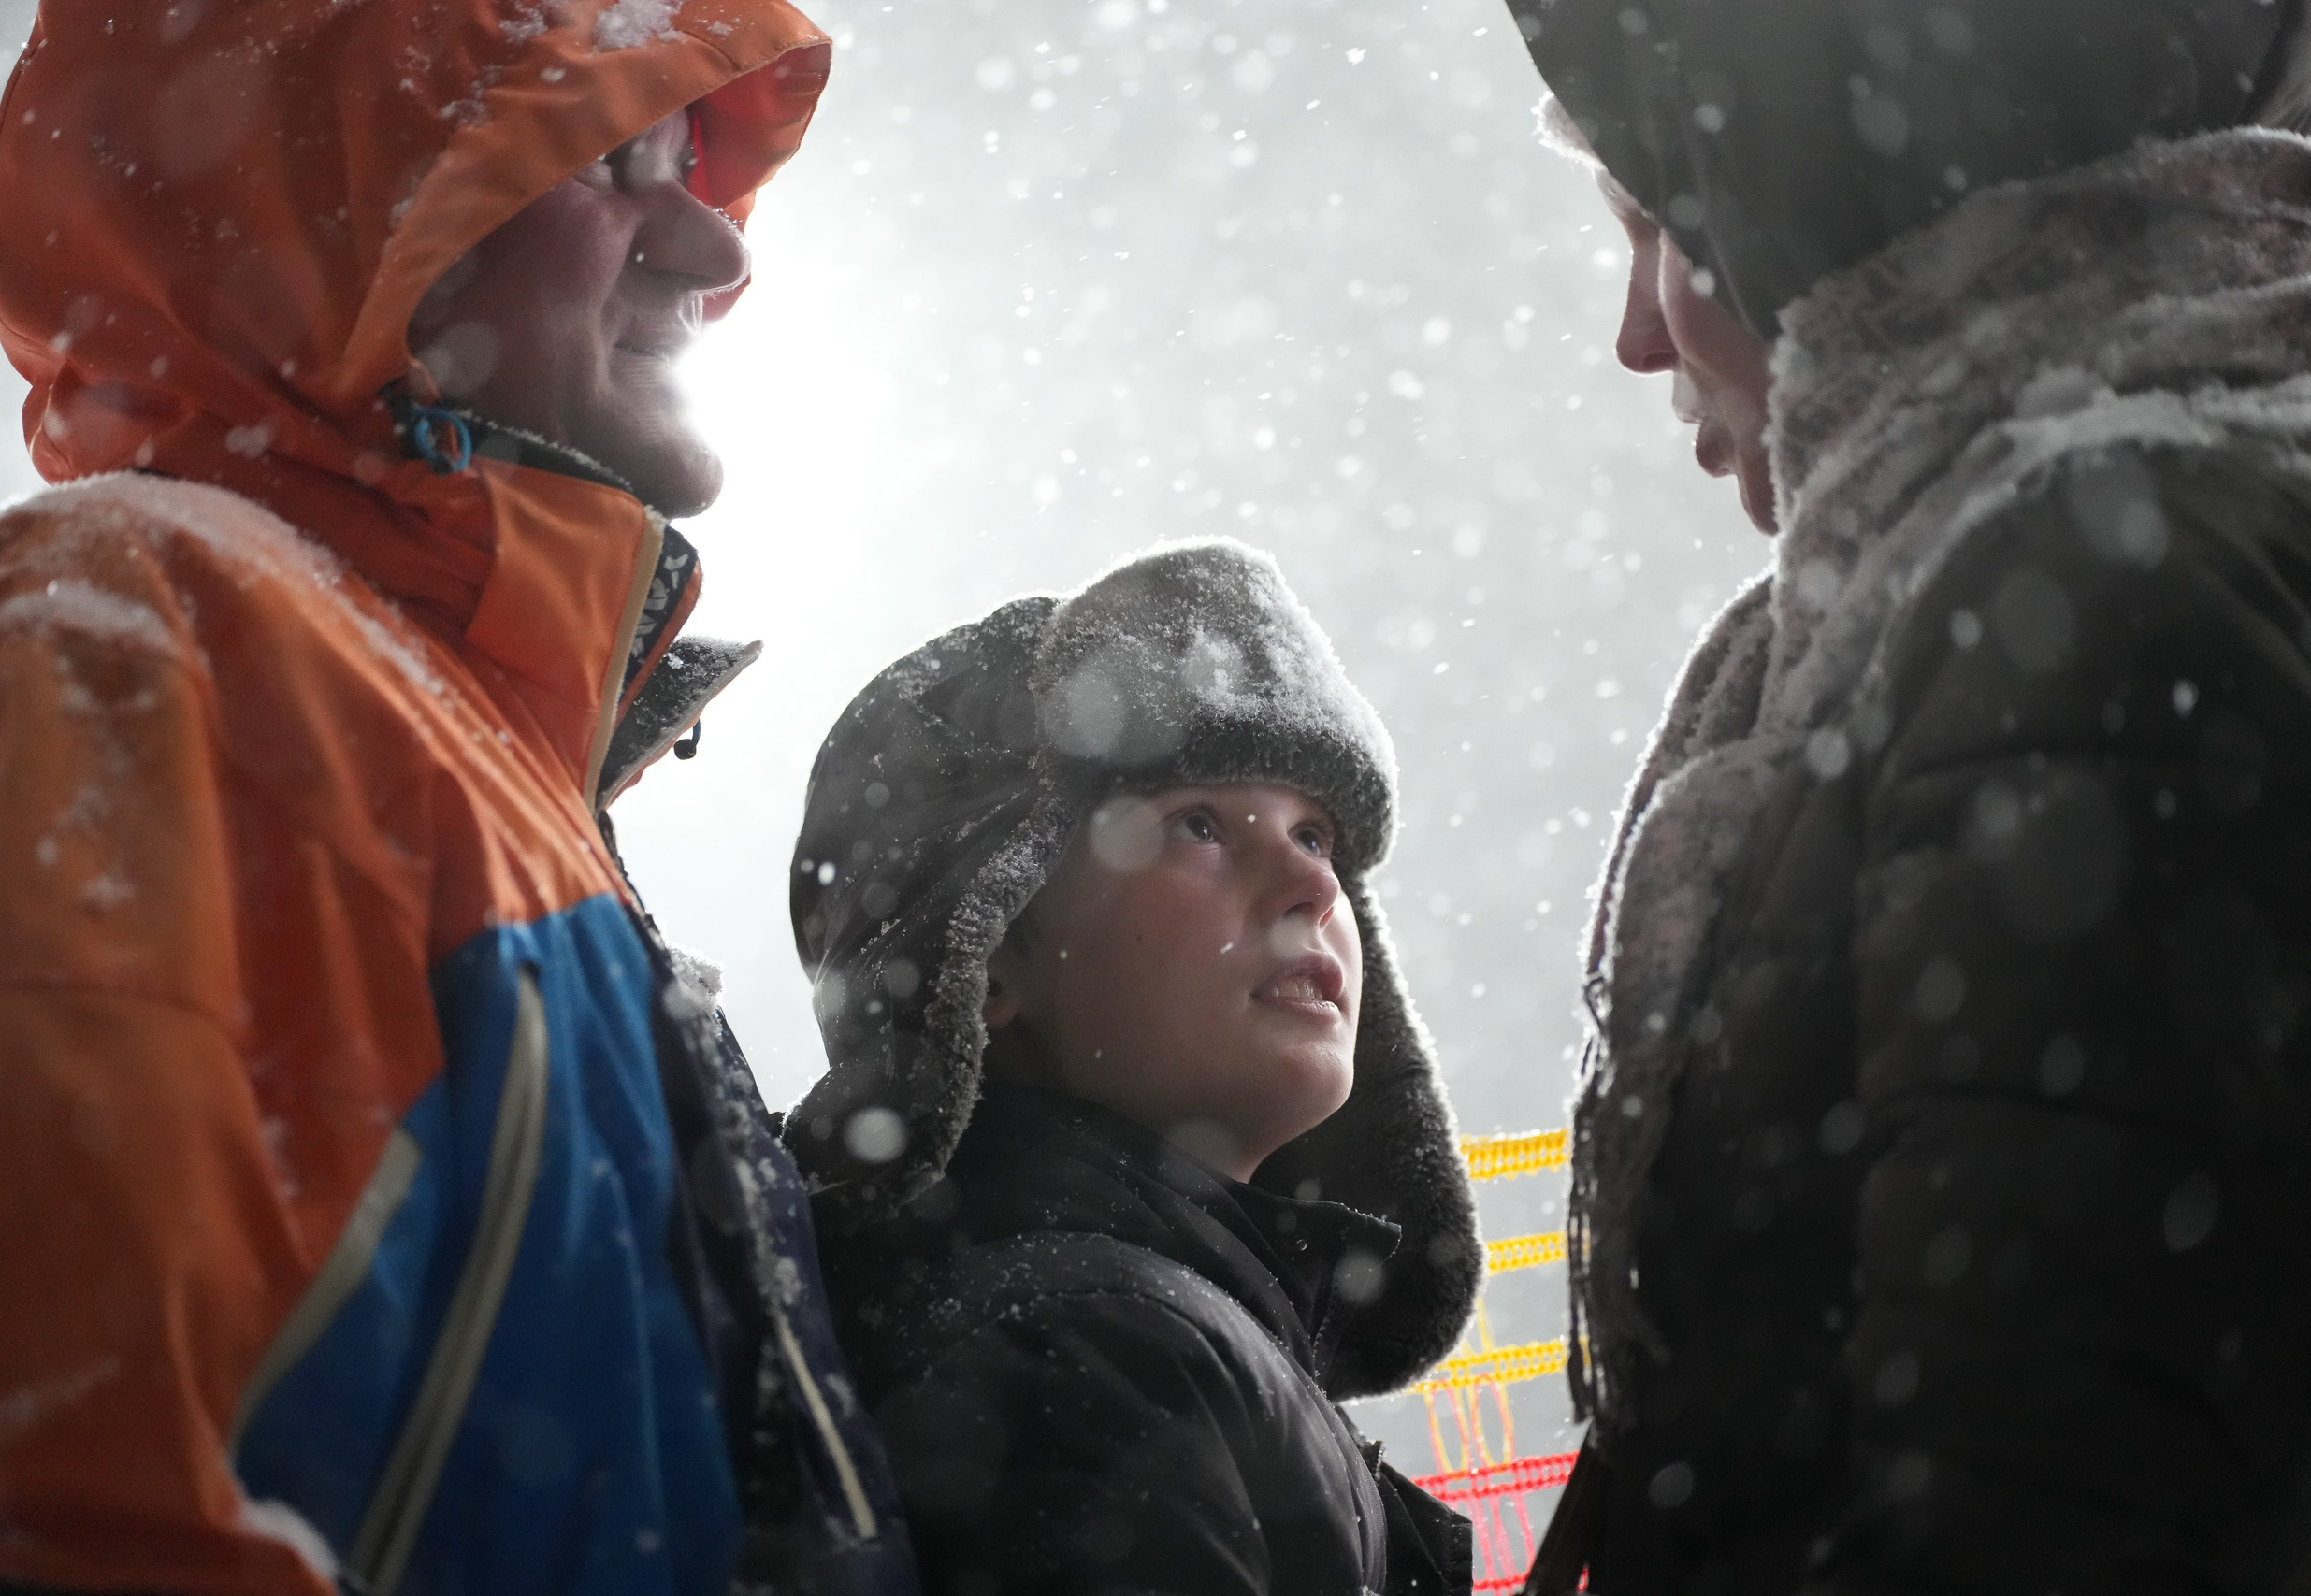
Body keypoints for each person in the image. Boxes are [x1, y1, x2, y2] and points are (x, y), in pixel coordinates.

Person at [0, 0, 917, 1591]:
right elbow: (69, 1496)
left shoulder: (488, 767)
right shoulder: (154, 641)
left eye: (697, 158)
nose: (715, 245)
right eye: (618, 151)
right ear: (339, 220)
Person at [1497, 0, 2311, 1591]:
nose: (1636, 336)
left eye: (1659, 226)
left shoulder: (2096, 595)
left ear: (1801, 194)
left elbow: (2040, 1499)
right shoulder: (2228, 509)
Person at [780, 539, 1483, 1596]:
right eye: (1198, 825)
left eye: (1315, 832)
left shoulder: (1151, 1328)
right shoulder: (1088, 1350)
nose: (1310, 882)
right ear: (986, 959)